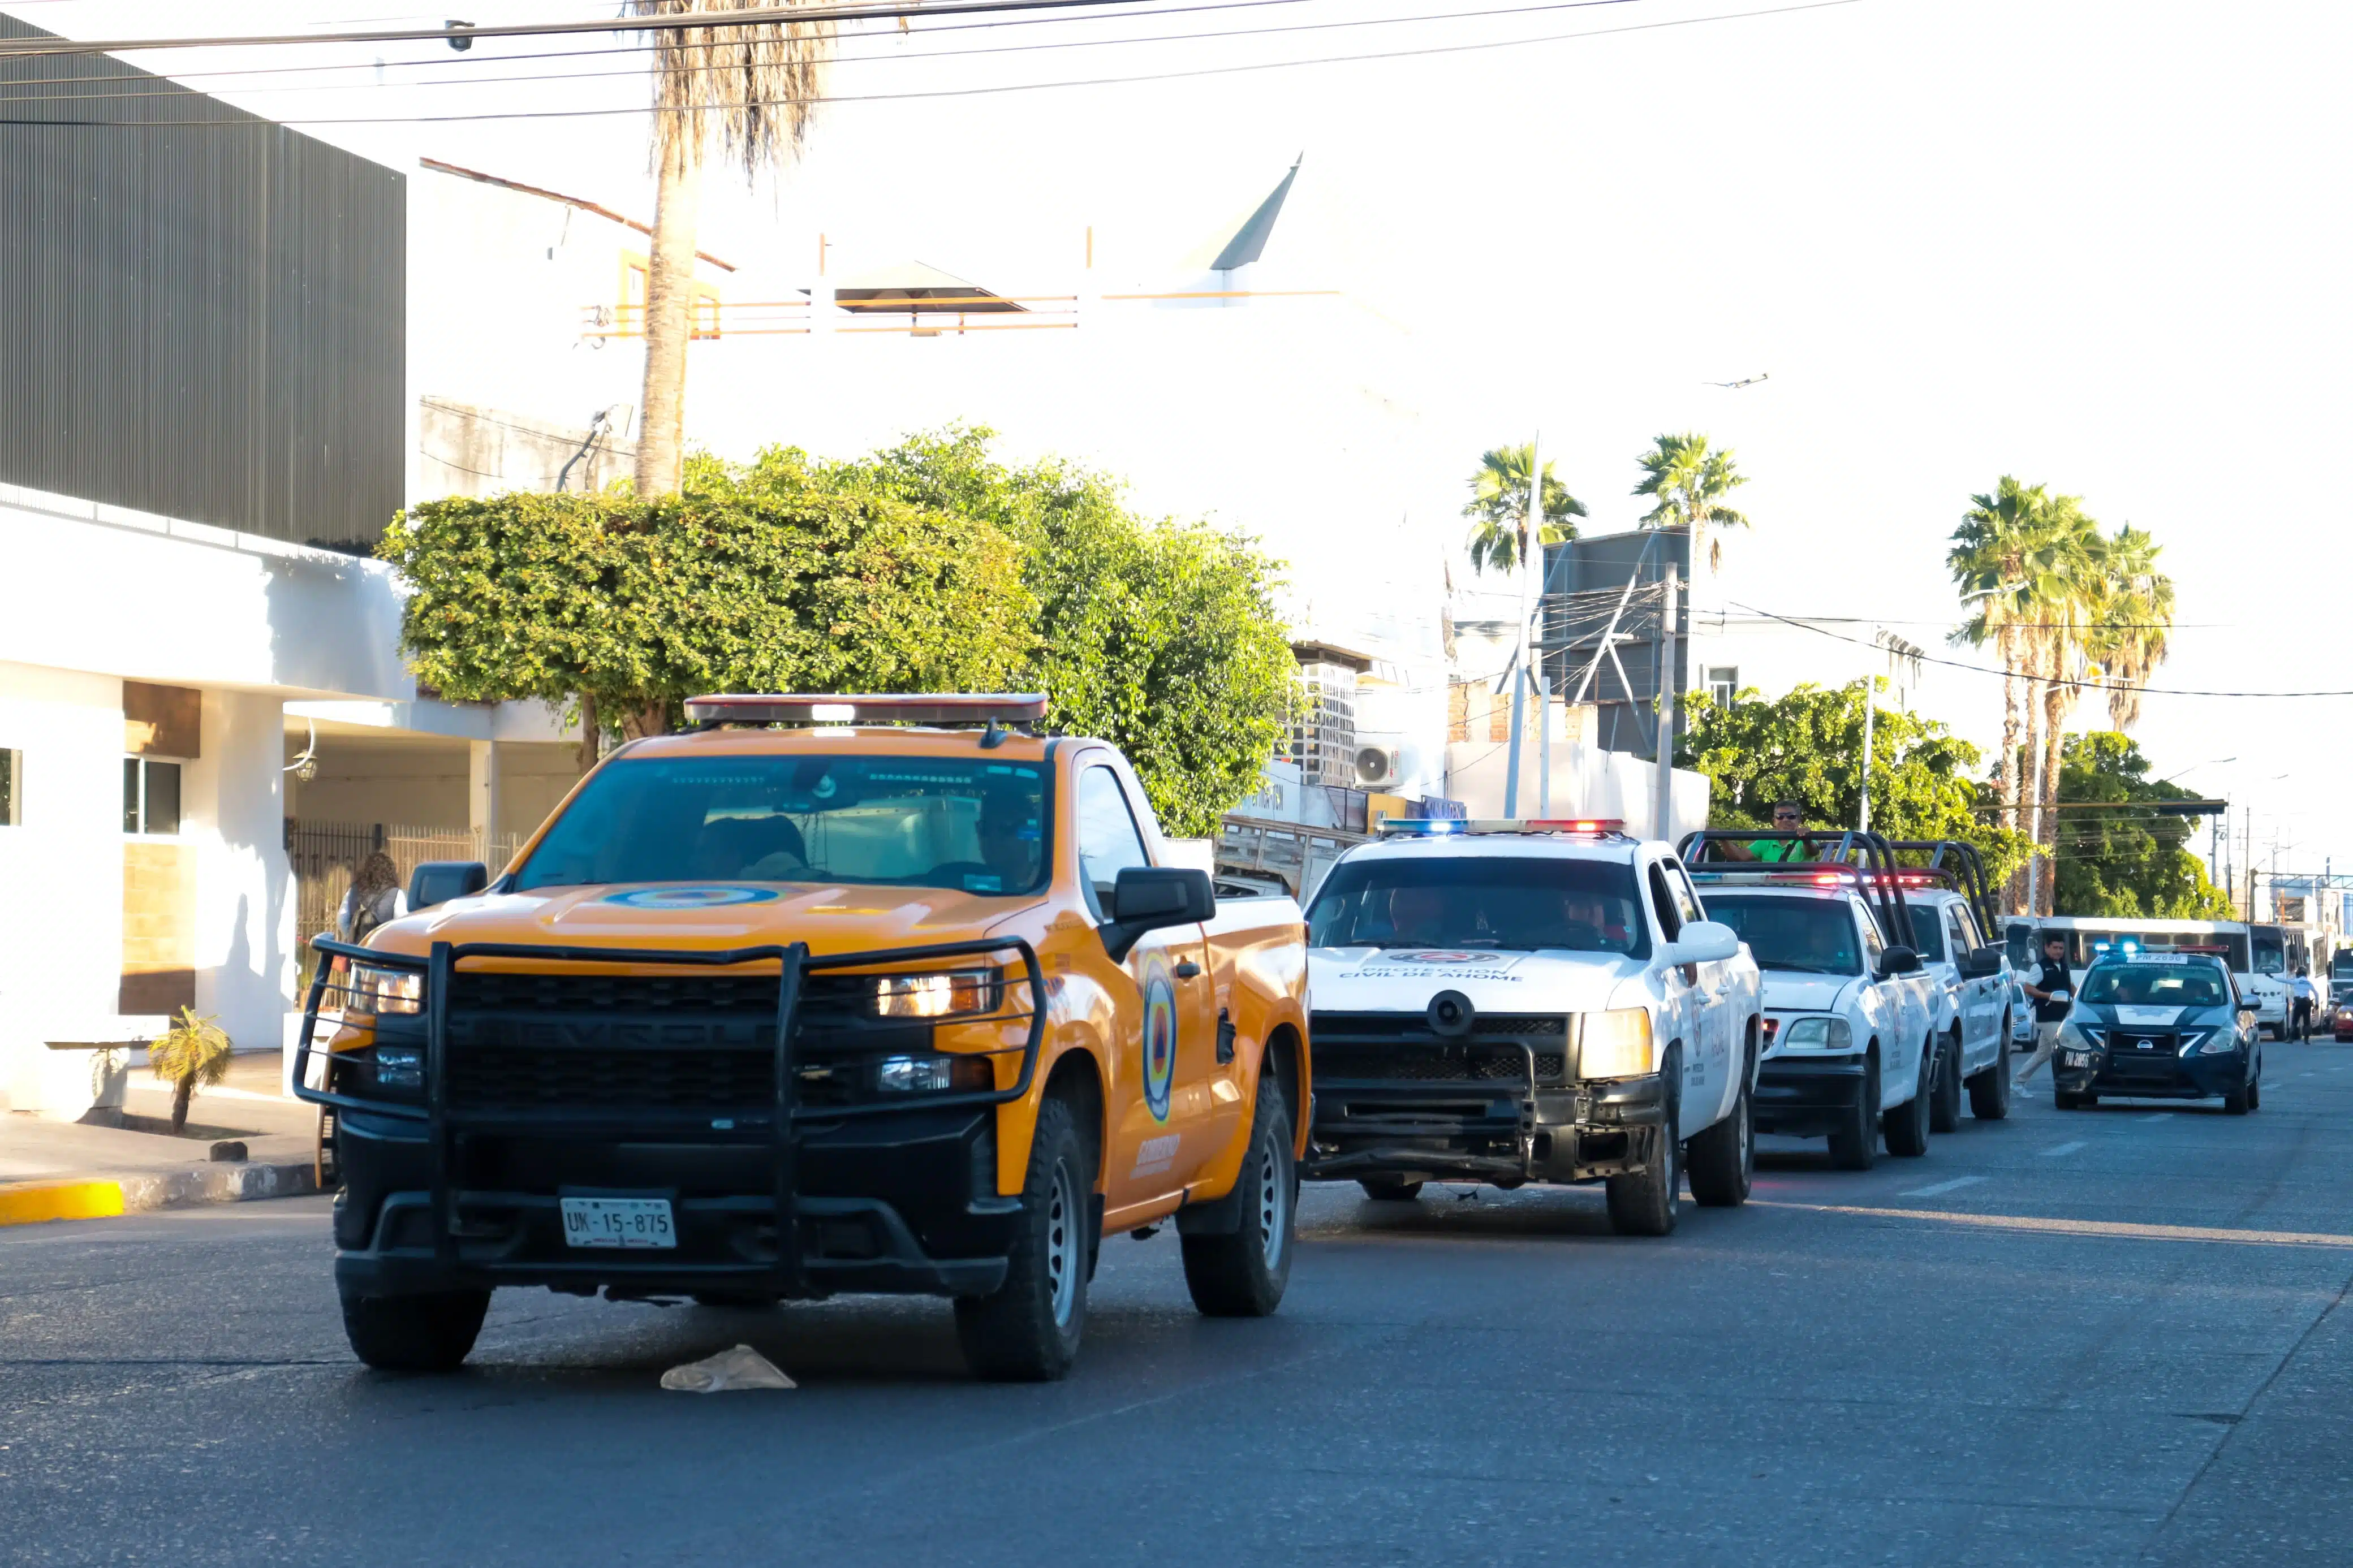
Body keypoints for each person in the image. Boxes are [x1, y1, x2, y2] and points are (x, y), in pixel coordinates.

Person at [2012, 931, 2074, 1094]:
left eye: (2061, 948)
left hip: (2063, 1017)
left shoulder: (2065, 967)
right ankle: (2067, 1086)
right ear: (2047, 947)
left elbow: (2071, 988)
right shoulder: (2040, 967)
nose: (2058, 951)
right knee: (2066, 1048)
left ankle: (2018, 1082)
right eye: (2055, 948)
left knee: (2043, 1054)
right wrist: (2049, 996)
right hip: (2047, 1017)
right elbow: (2028, 988)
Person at [337, 852, 406, 945]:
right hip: (382, 952)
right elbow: (402, 925)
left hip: (356, 952)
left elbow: (342, 920)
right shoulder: (396, 894)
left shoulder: (353, 891)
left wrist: (353, 935)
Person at [1721, 801, 1815, 863]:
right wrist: (1722, 839)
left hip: (1799, 891)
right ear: (1774, 821)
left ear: (1799, 820)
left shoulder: (1807, 838)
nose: (1785, 820)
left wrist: (1806, 839)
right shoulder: (1766, 840)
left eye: (1791, 816)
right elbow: (1740, 857)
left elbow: (1813, 851)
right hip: (1770, 890)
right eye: (1780, 817)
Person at [2289, 967, 2318, 1041]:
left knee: (2294, 1022)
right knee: (2307, 1022)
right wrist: (2317, 1004)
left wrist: (2272, 977)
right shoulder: (2308, 982)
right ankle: (2306, 1040)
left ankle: (2291, 1039)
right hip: (2307, 1003)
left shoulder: (2296, 982)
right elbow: (2316, 994)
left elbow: (2290, 991)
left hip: (2298, 1003)